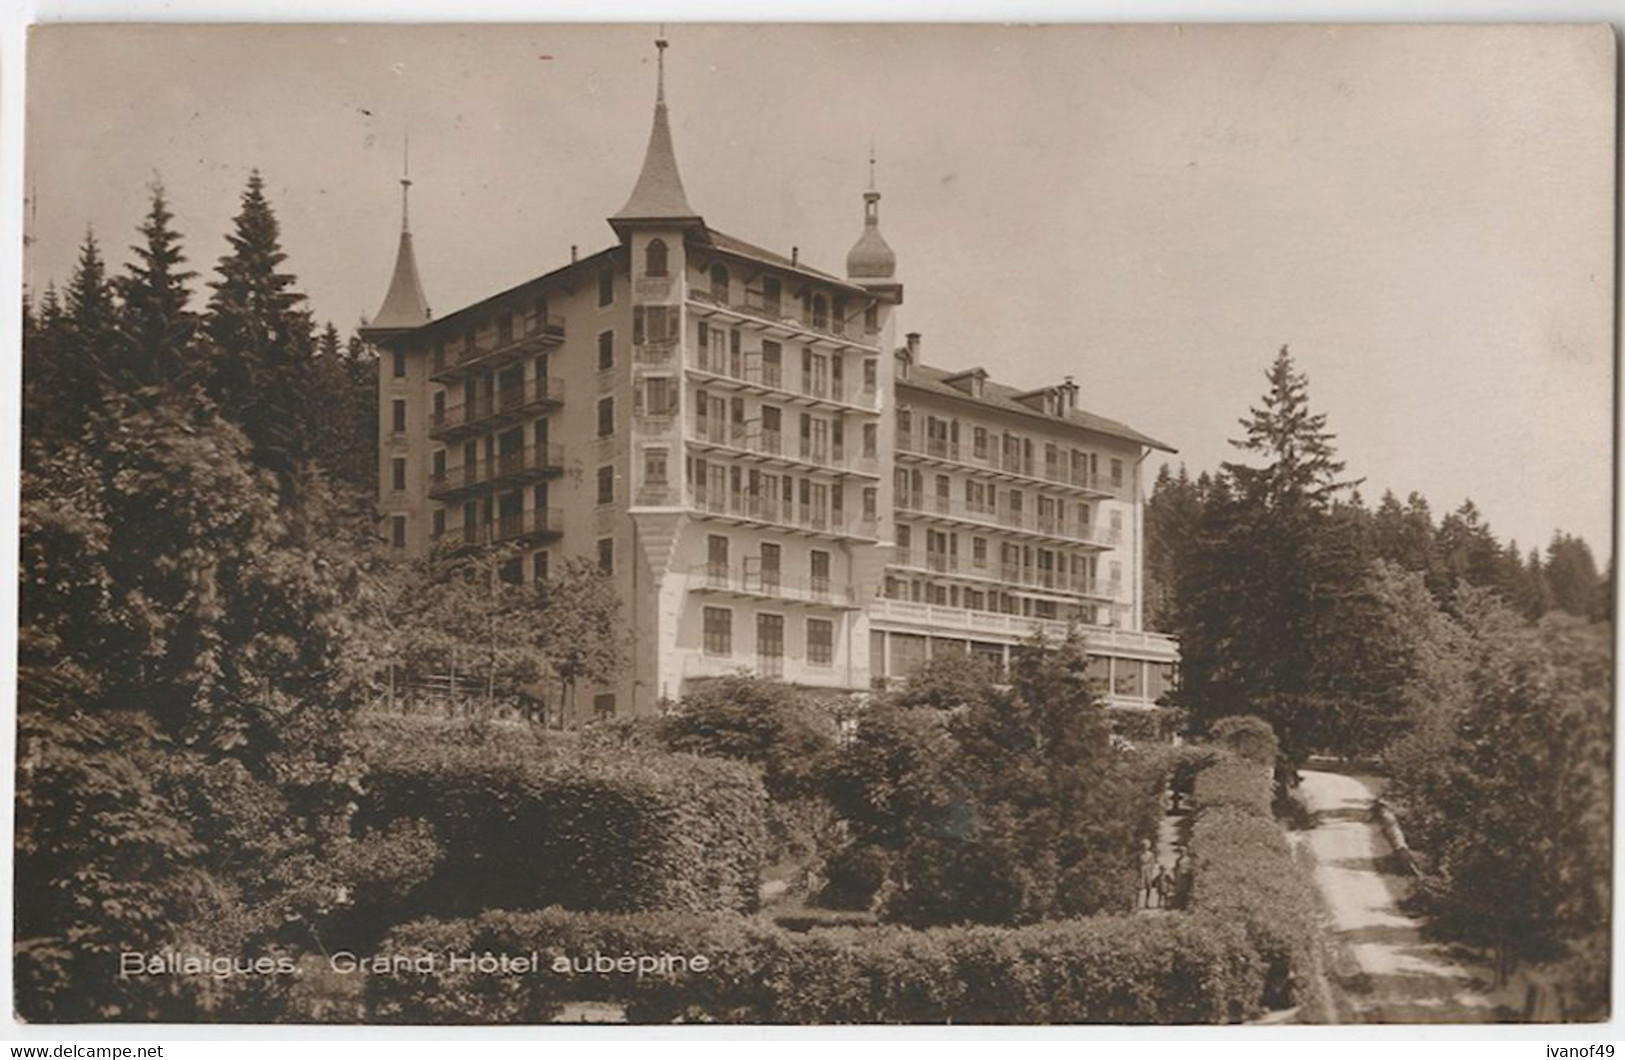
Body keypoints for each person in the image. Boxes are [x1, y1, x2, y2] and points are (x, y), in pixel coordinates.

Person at [1138, 839, 1159, 909]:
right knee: (1140, 887)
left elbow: (1152, 864)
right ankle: (1139, 903)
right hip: (1141, 871)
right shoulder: (1139, 854)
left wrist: (1150, 869)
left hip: (1148, 872)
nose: (1144, 847)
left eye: (1146, 845)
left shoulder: (1151, 854)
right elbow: (1137, 863)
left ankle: (1147, 903)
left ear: (1148, 846)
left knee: (1148, 887)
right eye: (1143, 845)